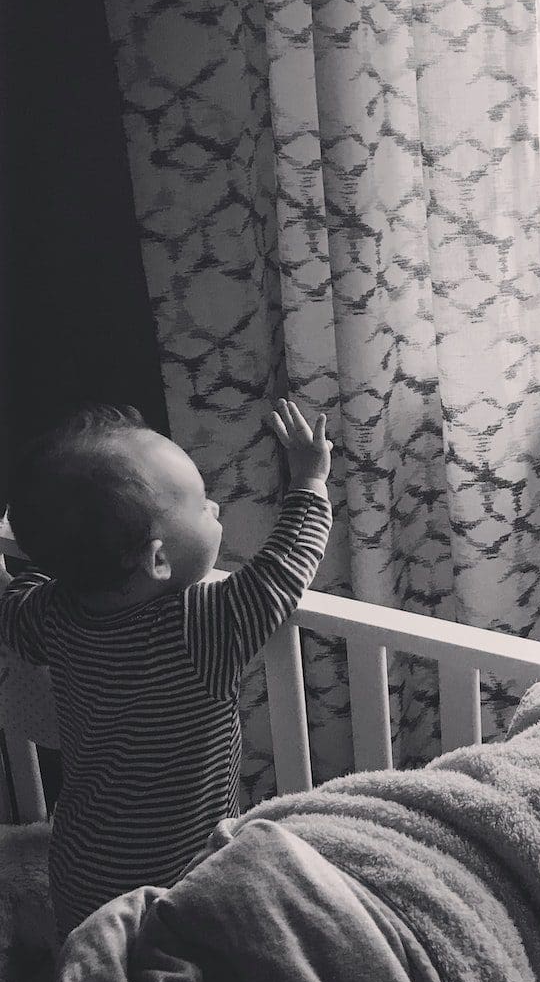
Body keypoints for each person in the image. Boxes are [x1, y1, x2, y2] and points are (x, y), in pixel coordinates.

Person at [0, 399, 333, 938]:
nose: (217, 508)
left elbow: (17, 604)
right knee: (177, 972)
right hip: (179, 875)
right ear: (158, 561)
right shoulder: (203, 625)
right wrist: (309, 480)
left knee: (98, 969)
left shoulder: (54, 615)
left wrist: (47, 562)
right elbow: (285, 566)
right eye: (203, 505)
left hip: (81, 871)